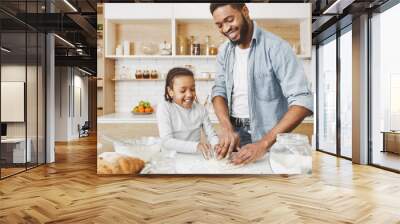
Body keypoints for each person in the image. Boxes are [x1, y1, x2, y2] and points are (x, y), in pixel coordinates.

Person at [210, 3, 313, 165]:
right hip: (234, 133)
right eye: (219, 25)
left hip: (268, 137)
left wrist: (263, 144)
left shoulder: (277, 48)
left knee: (267, 186)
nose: (225, 28)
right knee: (235, 187)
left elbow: (303, 101)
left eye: (229, 20)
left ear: (245, 11)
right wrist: (226, 128)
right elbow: (218, 91)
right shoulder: (225, 51)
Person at [156, 67, 220, 160]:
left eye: (192, 89)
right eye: (183, 91)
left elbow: (211, 135)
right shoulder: (165, 108)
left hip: (193, 159)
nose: (189, 94)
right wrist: (196, 146)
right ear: (170, 92)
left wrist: (216, 145)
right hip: (170, 159)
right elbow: (167, 141)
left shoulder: (200, 109)